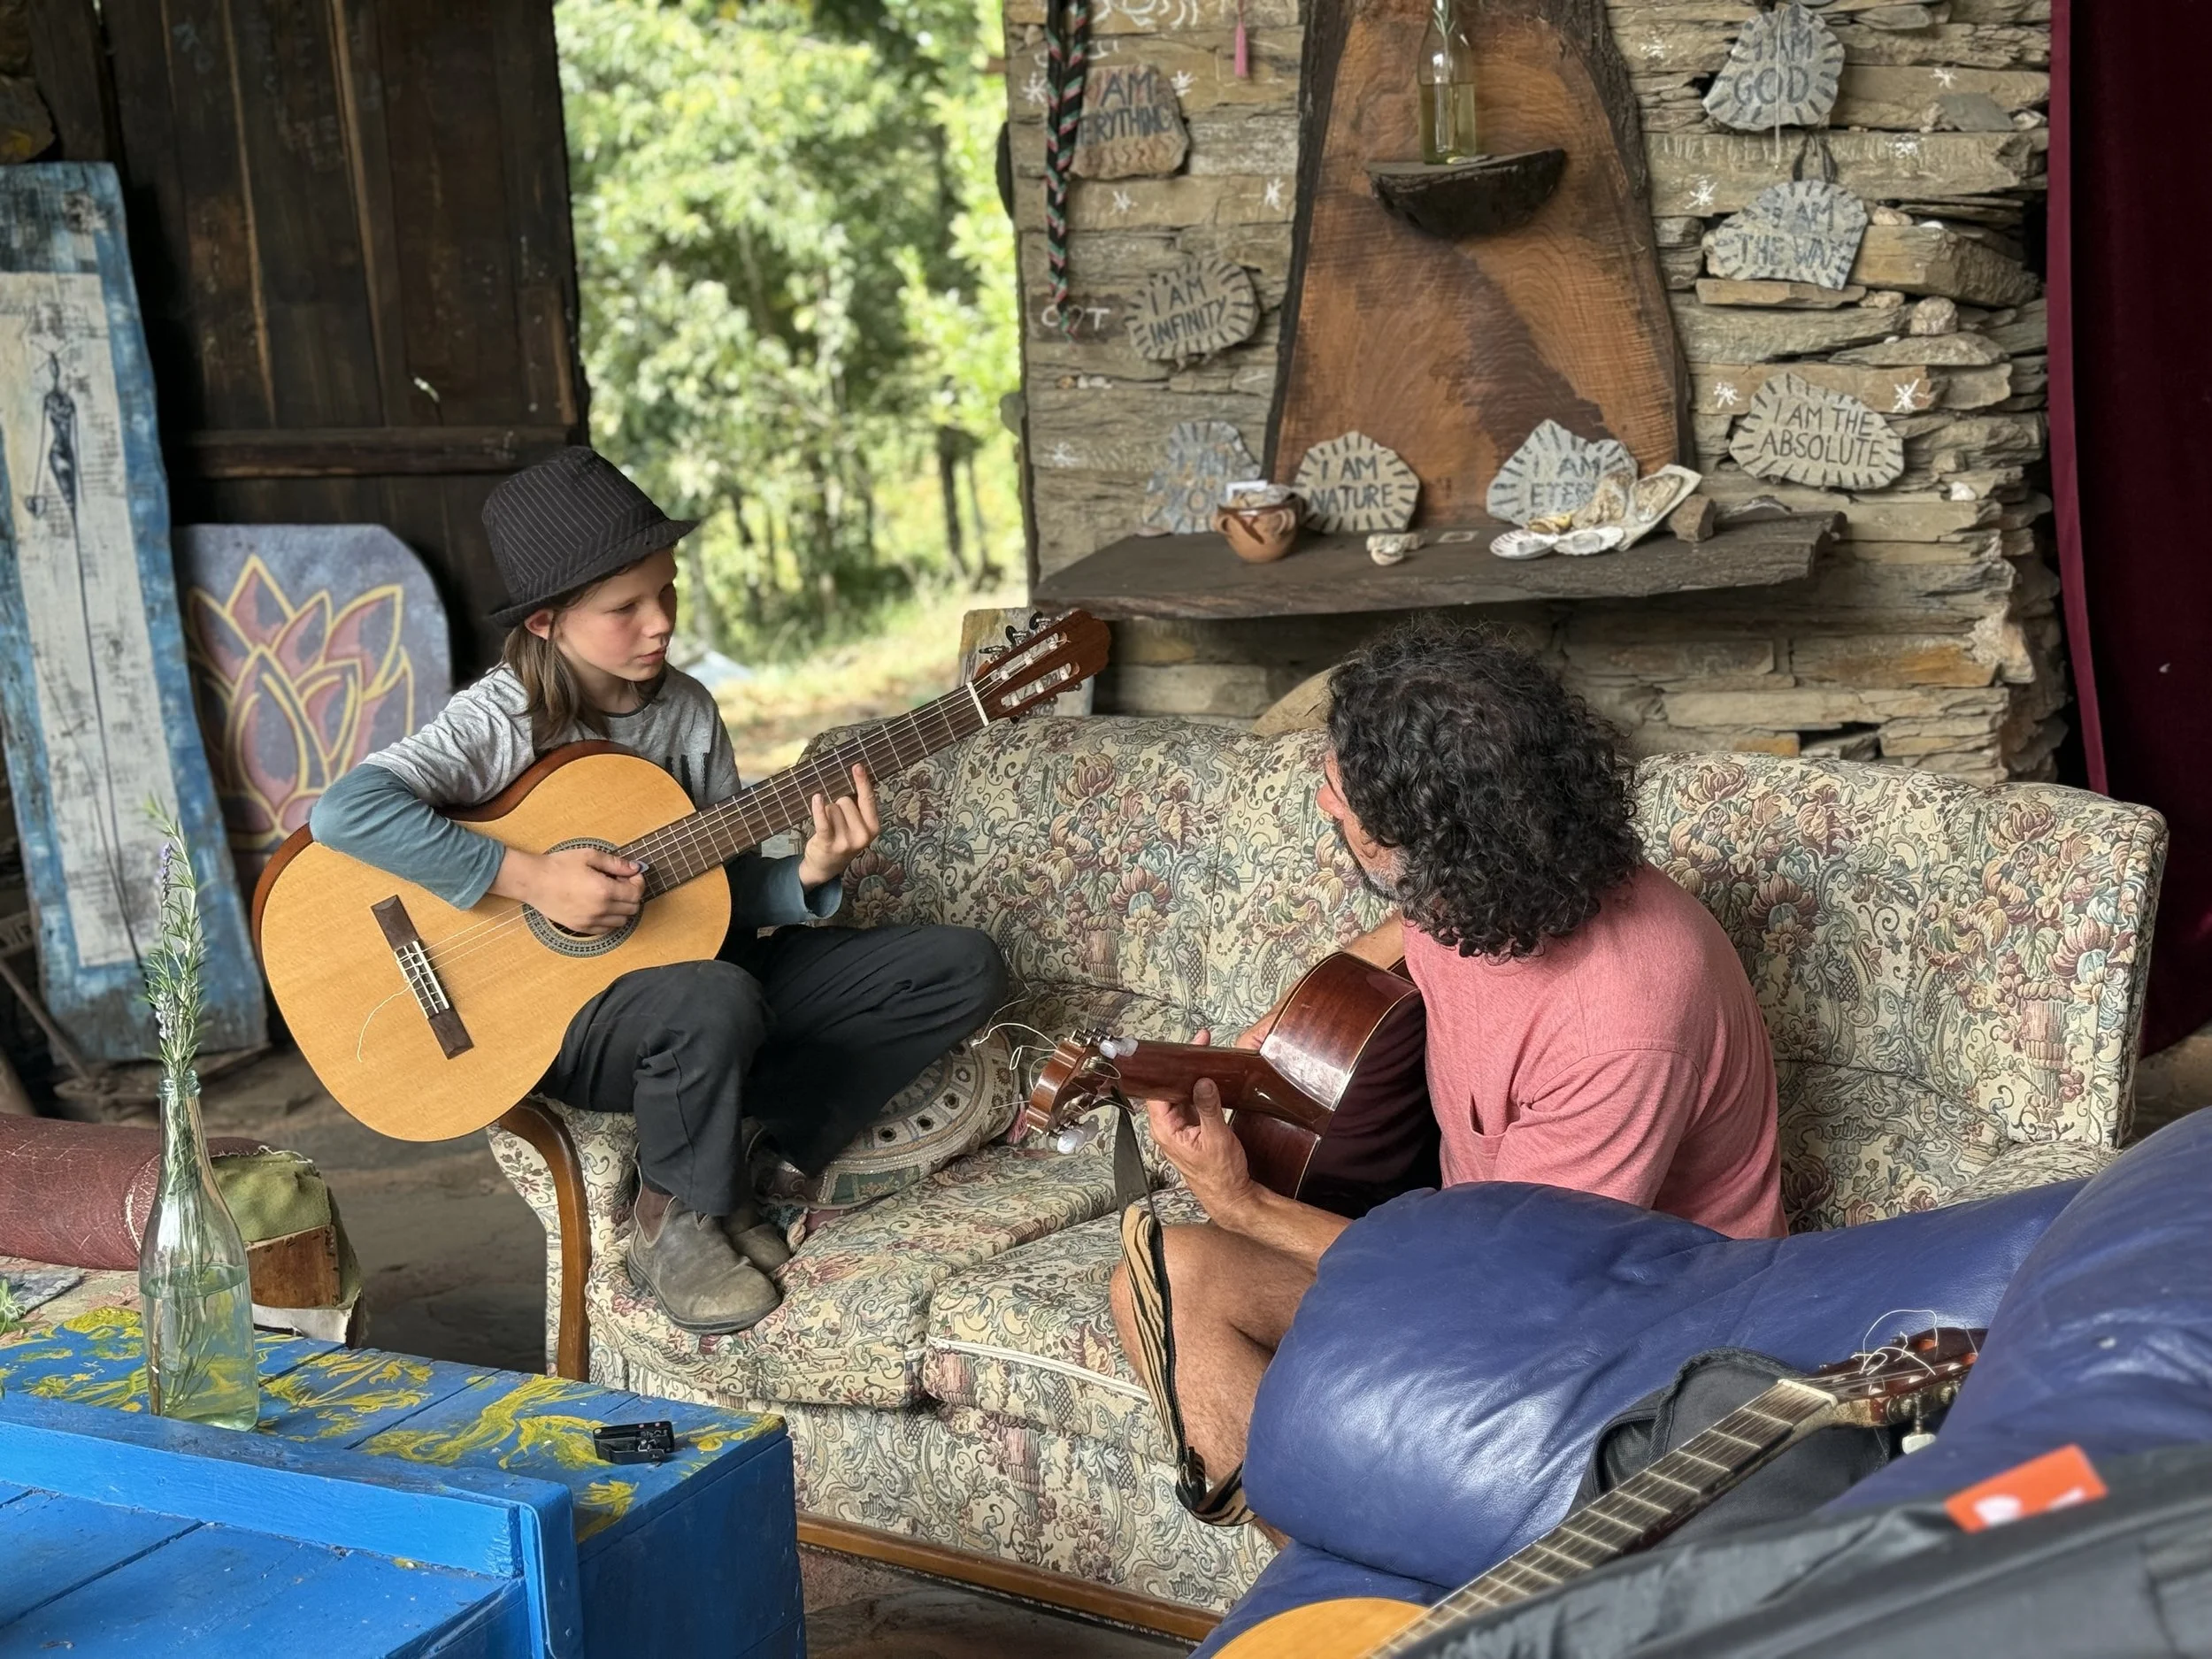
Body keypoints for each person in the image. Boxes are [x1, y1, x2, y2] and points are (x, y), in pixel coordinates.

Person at [312, 447, 1006, 1334]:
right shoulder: (498, 721)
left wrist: (807, 877)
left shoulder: (686, 711)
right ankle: (672, 1221)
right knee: (711, 995)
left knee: (960, 965)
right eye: (624, 608)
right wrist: (531, 877)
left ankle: (758, 1137)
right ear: (545, 624)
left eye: (667, 593)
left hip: (689, 982)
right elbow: (345, 813)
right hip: (560, 1021)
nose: (659, 623)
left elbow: (704, 893)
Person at [1110, 618, 1785, 1520]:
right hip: (1487, 1243)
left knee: (1223, 1298)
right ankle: (1327, 1600)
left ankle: (1354, 1602)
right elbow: (1393, 948)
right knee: (1159, 1276)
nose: (1326, 805)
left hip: (1625, 1318)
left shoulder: (1623, 1017)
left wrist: (1243, 1205)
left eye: (1340, 790)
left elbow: (1510, 1281)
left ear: (1417, 837)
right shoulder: (1475, 878)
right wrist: (1260, 1051)